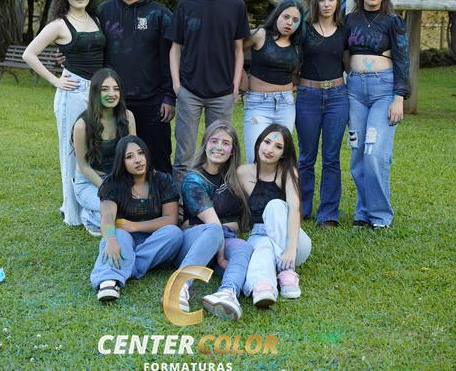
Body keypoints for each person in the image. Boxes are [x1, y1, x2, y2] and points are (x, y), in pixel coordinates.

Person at [23, 0, 105, 227]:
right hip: (73, 93)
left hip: (97, 94)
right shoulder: (59, 24)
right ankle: (72, 213)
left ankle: (90, 203)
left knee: (94, 150)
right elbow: (29, 54)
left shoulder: (95, 19)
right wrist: (55, 80)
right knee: (71, 152)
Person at [167, 0, 249, 187]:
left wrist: (235, 86)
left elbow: (238, 50)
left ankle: (217, 199)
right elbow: (175, 48)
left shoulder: (235, 6)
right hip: (189, 90)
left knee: (219, 151)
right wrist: (177, 85)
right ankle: (181, 203)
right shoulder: (185, 5)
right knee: (184, 154)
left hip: (222, 92)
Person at [98, 0, 175, 173]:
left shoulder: (160, 14)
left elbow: (171, 58)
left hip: (153, 102)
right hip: (113, 101)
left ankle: (163, 195)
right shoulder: (103, 12)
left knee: (158, 158)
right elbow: (88, 44)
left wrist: (169, 96)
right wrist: (66, 54)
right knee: (117, 160)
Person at [345, 0, 410, 229]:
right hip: (354, 92)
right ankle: (363, 212)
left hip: (383, 91)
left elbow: (403, 59)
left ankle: (380, 216)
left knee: (374, 153)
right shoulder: (349, 20)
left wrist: (399, 97)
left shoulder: (393, 21)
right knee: (358, 153)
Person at [90, 136, 183, 301]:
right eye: (129, 157)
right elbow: (108, 217)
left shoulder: (163, 181)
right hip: (124, 237)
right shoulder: (112, 184)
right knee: (119, 234)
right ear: (121, 162)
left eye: (141, 153)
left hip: (154, 239)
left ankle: (123, 266)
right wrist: (110, 240)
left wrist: (135, 226)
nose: (138, 160)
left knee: (174, 233)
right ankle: (108, 281)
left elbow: (170, 219)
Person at [177, 120, 253, 321]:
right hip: (195, 243)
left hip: (224, 237)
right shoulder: (193, 180)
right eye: (214, 141)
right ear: (205, 144)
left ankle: (227, 293)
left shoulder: (234, 179)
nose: (219, 147)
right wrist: (220, 257)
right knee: (213, 230)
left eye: (225, 143)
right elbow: (213, 226)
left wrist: (225, 226)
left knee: (244, 247)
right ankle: (180, 285)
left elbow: (238, 222)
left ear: (232, 150)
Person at [295, 0, 350, 226]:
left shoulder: (344, 30)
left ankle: (328, 213)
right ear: (315, 1)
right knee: (306, 156)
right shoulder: (304, 30)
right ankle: (302, 208)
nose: (327, 4)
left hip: (338, 96)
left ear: (338, 2)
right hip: (308, 95)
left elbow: (351, 61)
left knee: (331, 157)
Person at [238, 124, 311, 309]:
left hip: (293, 243)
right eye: (267, 142)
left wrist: (291, 248)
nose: (270, 149)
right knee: (263, 244)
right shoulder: (243, 172)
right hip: (259, 236)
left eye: (278, 147)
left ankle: (287, 270)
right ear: (259, 143)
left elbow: (294, 208)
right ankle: (263, 288)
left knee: (275, 206)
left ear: (283, 154)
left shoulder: (288, 172)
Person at [72, 68, 137, 236]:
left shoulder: (128, 117)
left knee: (141, 207)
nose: (111, 94)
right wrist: (108, 188)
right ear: (95, 92)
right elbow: (84, 166)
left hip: (118, 178)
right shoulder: (82, 125)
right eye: (105, 89)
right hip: (90, 182)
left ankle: (105, 218)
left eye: (116, 89)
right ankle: (89, 217)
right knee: (115, 207)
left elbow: (134, 154)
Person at [242, 0, 306, 163]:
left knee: (278, 158)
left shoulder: (297, 45)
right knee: (256, 156)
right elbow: (233, 50)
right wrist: (241, 77)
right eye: (286, 17)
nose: (289, 23)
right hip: (258, 104)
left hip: (286, 105)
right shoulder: (260, 35)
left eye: (295, 20)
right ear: (277, 15)